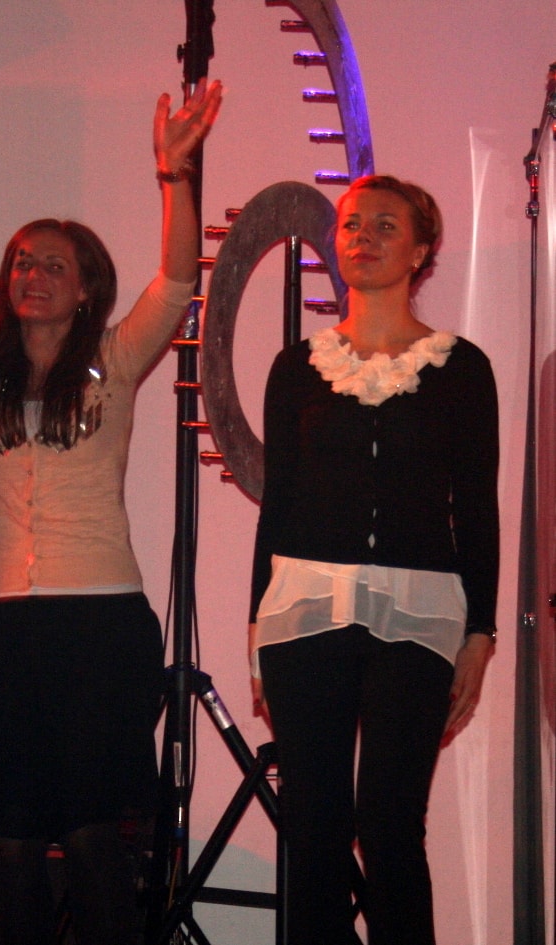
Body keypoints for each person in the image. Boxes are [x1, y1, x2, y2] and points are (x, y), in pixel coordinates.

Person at [0, 78, 221, 945]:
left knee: (91, 833)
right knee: (7, 837)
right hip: (0, 627)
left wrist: (173, 175)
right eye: (22, 263)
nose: (32, 276)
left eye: (53, 265)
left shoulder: (114, 359)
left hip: (98, 624)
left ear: (85, 289)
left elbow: (178, 277)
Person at [248, 174, 499, 945]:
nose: (362, 237)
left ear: (421, 251)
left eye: (385, 225)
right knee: (312, 826)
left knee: (389, 822)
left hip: (419, 610)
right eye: (352, 223)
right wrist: (255, 627)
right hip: (302, 607)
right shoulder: (297, 365)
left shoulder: (461, 367)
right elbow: (278, 505)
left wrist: (480, 632)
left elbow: (476, 505)